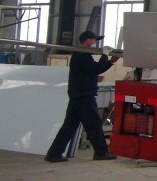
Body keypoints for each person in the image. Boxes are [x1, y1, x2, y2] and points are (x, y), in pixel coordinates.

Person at [45, 30, 120, 162]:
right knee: (94, 125)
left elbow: (96, 69)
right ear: (87, 41)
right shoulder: (81, 55)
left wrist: (110, 62)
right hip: (84, 97)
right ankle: (101, 152)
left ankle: (54, 153)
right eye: (94, 40)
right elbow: (95, 69)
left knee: (69, 127)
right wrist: (104, 55)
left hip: (78, 97)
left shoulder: (84, 56)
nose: (95, 43)